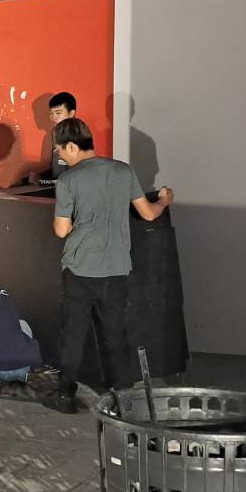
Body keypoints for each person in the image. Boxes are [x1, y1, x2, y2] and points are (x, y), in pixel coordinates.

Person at [49, 117, 174, 413]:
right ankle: (122, 396)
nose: (60, 156)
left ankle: (65, 396)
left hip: (79, 269)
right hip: (116, 267)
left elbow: (61, 230)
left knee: (74, 335)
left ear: (71, 146)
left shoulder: (68, 180)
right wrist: (164, 200)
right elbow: (149, 214)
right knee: (115, 333)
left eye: (60, 150)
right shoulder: (122, 171)